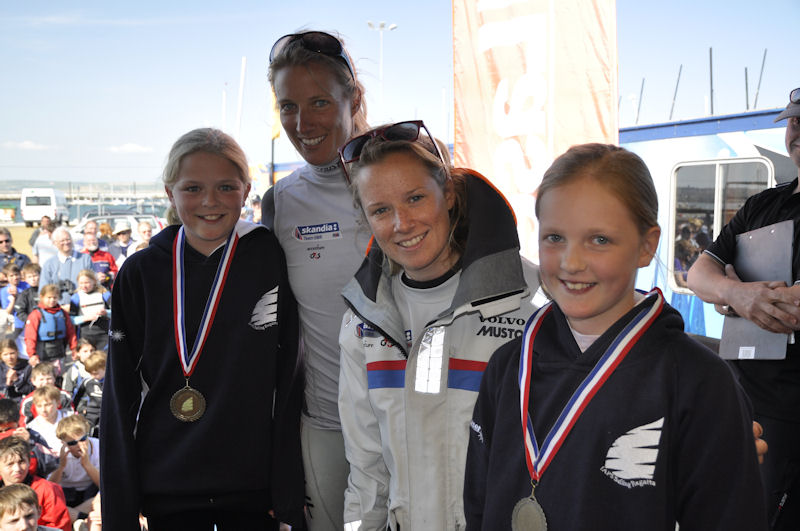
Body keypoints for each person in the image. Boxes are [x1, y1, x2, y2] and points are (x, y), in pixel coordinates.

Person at [463, 143, 766, 530]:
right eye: (555, 238)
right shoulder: (507, 367)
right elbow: (478, 507)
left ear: (646, 245)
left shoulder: (698, 382)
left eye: (599, 240)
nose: (571, 263)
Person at [335, 120, 540, 530]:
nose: (401, 224)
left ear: (447, 193)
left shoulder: (528, 306)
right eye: (380, 210)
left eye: (414, 198)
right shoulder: (362, 321)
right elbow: (366, 472)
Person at [100, 127, 304, 531]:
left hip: (252, 489)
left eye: (226, 187)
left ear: (247, 191)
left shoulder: (269, 259)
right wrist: (120, 512)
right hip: (168, 489)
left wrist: (288, 495)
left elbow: (290, 376)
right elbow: (119, 395)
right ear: (169, 192)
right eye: (192, 188)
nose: (210, 202)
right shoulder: (140, 272)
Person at [265, 30, 371, 531]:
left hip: (412, 421)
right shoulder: (281, 201)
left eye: (320, 102)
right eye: (288, 106)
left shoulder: (412, 178)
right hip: (326, 423)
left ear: (355, 99)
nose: (303, 124)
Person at [687, 88, 800, 529]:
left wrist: (736, 292)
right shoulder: (762, 205)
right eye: (793, 121)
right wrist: (737, 295)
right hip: (748, 403)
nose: (797, 132)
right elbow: (700, 274)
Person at [0, 438, 69, 531]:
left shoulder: (47, 489)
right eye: (10, 464)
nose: (17, 468)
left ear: (29, 461)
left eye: (21, 462)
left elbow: (60, 525)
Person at [48, 415, 98, 522]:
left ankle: (72, 517)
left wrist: (87, 465)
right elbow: (50, 487)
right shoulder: (56, 451)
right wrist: (60, 467)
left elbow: (104, 485)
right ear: (63, 442)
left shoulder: (98, 446)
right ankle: (81, 519)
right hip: (65, 493)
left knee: (104, 498)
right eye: (72, 443)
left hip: (90, 492)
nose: (79, 445)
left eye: (83, 439)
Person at [23, 286, 77, 374]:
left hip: (59, 353)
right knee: (44, 378)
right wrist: (32, 354)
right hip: (41, 354)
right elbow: (30, 336)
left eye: (55, 297)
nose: (52, 300)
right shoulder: (35, 315)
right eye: (49, 297)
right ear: (42, 297)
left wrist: (74, 348)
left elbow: (71, 333)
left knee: (58, 378)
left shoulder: (63, 314)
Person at [39, 229, 92, 309]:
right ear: (54, 243)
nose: (66, 242)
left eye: (68, 239)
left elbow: (94, 283)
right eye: (62, 241)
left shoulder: (85, 259)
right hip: (58, 310)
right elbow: (43, 291)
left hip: (84, 308)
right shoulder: (49, 264)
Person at [68, 271, 110, 352]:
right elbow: (71, 319)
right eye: (81, 283)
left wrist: (106, 312)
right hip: (86, 335)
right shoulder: (76, 297)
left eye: (86, 282)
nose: (84, 286)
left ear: (94, 281)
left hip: (104, 335)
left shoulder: (104, 294)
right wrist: (85, 318)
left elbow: (116, 313)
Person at [25, 388, 71, 456]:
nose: (43, 410)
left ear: (58, 403)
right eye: (39, 406)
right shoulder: (31, 427)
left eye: (48, 405)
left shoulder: (70, 418)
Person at [72, 353, 104, 434]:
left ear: (105, 368)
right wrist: (79, 409)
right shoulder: (87, 382)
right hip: (91, 412)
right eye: (91, 373)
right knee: (87, 431)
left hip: (107, 412)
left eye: (96, 373)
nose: (93, 376)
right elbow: (76, 398)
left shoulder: (112, 383)